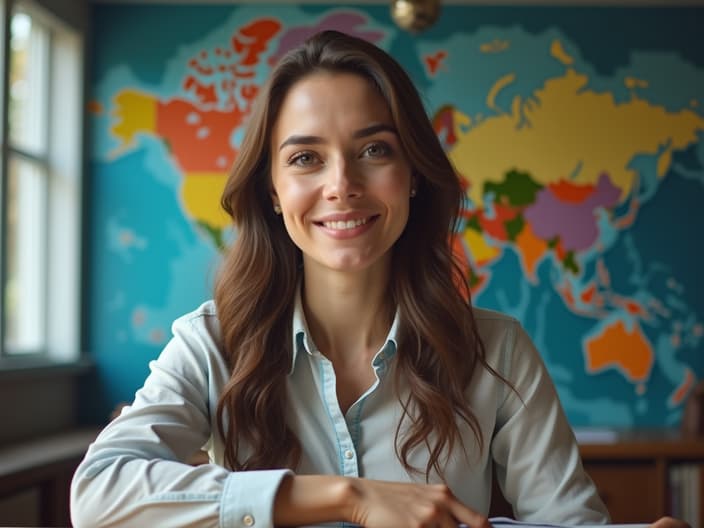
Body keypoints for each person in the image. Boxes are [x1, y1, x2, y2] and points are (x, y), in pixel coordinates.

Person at [70, 30, 684, 528]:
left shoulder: (498, 351)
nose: (342, 185)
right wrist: (348, 498)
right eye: (306, 158)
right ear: (274, 191)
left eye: (374, 150)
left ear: (413, 174)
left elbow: (569, 524)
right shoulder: (211, 342)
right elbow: (97, 493)